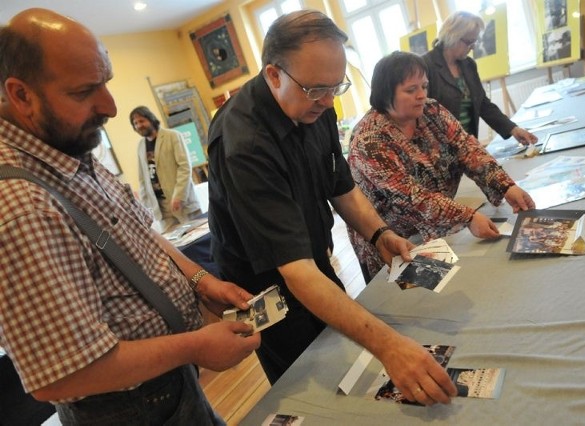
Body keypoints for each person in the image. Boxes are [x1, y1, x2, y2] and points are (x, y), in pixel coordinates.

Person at [0, 8, 260, 425]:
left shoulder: (67, 149)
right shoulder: (20, 207)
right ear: (22, 95)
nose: (110, 105)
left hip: (169, 385)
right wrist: (194, 346)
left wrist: (201, 281)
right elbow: (62, 375)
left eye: (106, 82)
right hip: (129, 409)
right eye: (85, 92)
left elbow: (136, 233)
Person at [207, 9, 457, 405]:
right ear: (274, 75)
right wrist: (390, 347)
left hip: (310, 259)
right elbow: (294, 272)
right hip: (263, 283)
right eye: (315, 90)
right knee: (304, 382)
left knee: (340, 352)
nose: (327, 101)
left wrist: (379, 233)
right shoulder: (245, 143)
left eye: (335, 88)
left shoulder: (316, 103)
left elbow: (340, 185)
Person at [348, 51, 535, 280]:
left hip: (432, 229)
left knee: (463, 287)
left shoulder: (432, 110)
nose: (421, 95)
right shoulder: (369, 139)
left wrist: (506, 186)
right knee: (415, 307)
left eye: (424, 86)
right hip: (394, 242)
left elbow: (467, 148)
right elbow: (412, 197)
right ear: (386, 94)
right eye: (411, 90)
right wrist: (467, 217)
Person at [422, 11, 538, 145]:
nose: (473, 47)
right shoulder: (425, 66)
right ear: (452, 37)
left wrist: (513, 129)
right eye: (469, 42)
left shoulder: (469, 64)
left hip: (469, 144)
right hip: (442, 148)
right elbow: (423, 116)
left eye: (475, 42)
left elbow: (482, 104)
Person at [130, 106, 201, 232]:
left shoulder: (172, 136)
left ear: (151, 119)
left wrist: (179, 195)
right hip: (161, 209)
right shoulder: (141, 146)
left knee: (198, 237)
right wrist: (145, 206)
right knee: (176, 247)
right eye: (135, 123)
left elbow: (184, 167)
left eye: (141, 121)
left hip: (181, 202)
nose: (139, 125)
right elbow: (142, 179)